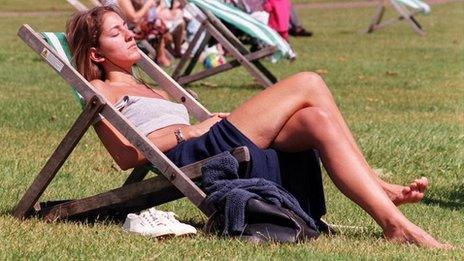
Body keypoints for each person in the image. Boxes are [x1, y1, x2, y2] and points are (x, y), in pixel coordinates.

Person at [65, 6, 451, 249]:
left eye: (126, 28)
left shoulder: (146, 83)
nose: (131, 33)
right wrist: (195, 131)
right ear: (96, 53)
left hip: (207, 139)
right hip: (194, 154)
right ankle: (384, 195)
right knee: (308, 82)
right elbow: (127, 155)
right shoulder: (98, 90)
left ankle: (391, 222)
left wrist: (200, 126)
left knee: (314, 119)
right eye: (117, 33)